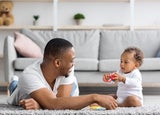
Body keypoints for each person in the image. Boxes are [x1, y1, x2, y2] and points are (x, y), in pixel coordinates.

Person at [8, 38, 118, 110]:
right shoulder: (29, 75)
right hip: (25, 90)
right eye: (71, 60)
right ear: (57, 63)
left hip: (57, 91)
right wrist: (95, 97)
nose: (73, 63)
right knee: (17, 88)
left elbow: (62, 102)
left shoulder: (67, 68)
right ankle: (14, 84)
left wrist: (39, 105)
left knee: (71, 91)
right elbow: (55, 104)